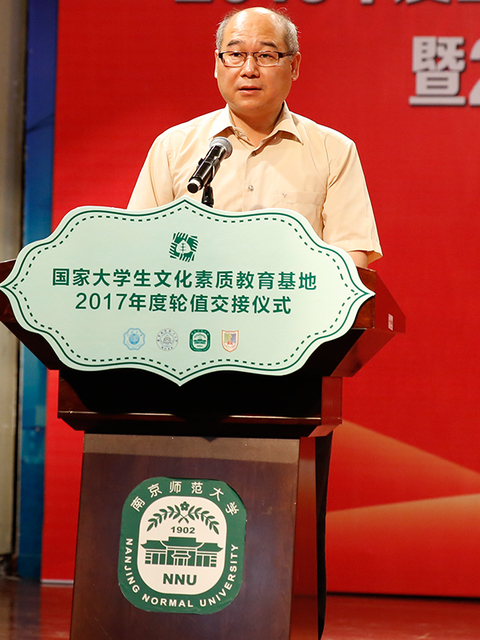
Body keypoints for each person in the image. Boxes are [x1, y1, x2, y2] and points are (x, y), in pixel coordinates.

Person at [128, 6, 382, 636]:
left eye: (267, 55)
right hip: (180, 374)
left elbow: (351, 257)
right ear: (216, 66)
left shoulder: (332, 151)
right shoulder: (178, 148)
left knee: (276, 535)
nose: (249, 68)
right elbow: (137, 254)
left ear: (294, 68)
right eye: (235, 54)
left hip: (289, 375)